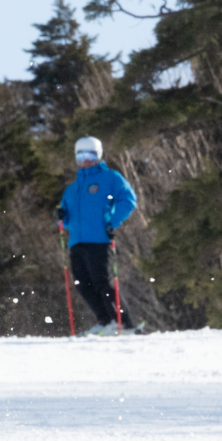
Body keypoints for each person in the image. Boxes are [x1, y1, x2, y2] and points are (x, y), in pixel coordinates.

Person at [58, 135, 138, 335]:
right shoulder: (71, 189)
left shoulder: (110, 178)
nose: (86, 159)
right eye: (81, 155)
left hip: (98, 240)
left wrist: (113, 221)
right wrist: (61, 216)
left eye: (91, 154)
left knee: (101, 282)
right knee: (82, 285)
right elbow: (65, 220)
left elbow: (128, 199)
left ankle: (123, 322)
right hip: (76, 242)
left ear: (98, 155)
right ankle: (105, 322)